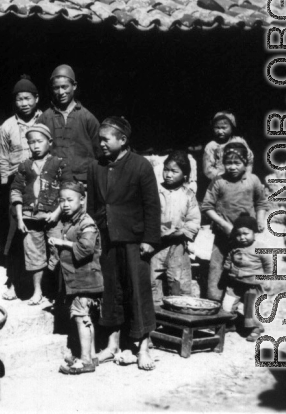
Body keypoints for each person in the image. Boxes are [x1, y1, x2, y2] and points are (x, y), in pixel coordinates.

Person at [87, 117, 161, 371]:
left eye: (106, 139)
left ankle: (143, 347)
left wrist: (150, 240)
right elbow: (93, 206)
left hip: (134, 239)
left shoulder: (141, 166)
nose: (102, 144)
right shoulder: (95, 167)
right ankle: (111, 345)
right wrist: (93, 235)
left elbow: (152, 206)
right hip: (107, 239)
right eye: (100, 139)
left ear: (122, 140)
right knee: (111, 291)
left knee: (138, 292)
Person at [10, 124, 72, 305]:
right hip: (30, 219)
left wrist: (57, 212)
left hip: (53, 218)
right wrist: (20, 218)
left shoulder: (59, 163)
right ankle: (37, 291)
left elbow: (67, 189)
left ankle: (59, 291)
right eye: (31, 143)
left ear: (49, 142)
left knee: (58, 251)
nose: (35, 146)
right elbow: (16, 192)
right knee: (34, 255)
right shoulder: (24, 166)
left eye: (40, 141)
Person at [201, 143, 267, 301]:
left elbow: (261, 202)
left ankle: (246, 306)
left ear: (245, 163)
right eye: (228, 163)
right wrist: (224, 224)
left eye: (237, 163)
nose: (232, 167)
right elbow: (206, 206)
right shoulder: (219, 181)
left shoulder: (253, 180)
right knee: (217, 268)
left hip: (246, 238)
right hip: (223, 235)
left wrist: (260, 219)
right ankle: (215, 305)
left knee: (245, 268)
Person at [49, 182, 103, 375]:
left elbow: (87, 248)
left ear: (82, 200)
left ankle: (86, 360)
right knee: (84, 318)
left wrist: (62, 242)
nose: (65, 204)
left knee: (81, 318)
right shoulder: (70, 220)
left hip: (86, 279)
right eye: (61, 200)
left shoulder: (86, 222)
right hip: (77, 279)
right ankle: (91, 355)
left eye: (70, 200)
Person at [0, 75, 43, 274]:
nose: (24, 104)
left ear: (36, 98)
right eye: (19, 99)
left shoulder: (46, 120)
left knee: (41, 224)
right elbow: (4, 157)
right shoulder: (7, 126)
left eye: (27, 98)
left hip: (42, 180)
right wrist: (5, 183)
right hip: (17, 183)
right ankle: (14, 274)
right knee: (16, 227)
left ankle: (42, 274)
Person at [150, 151, 200, 304]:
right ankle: (155, 318)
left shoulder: (188, 195)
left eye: (174, 171)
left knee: (178, 282)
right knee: (153, 281)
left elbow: (193, 221)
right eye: (166, 170)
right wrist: (162, 230)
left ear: (184, 174)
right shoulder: (155, 192)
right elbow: (149, 215)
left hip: (178, 245)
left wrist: (180, 231)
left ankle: (177, 322)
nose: (169, 175)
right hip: (156, 246)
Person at [38, 64, 101, 184]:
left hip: (81, 182)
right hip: (52, 181)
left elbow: (100, 151)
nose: (61, 92)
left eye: (64, 87)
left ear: (74, 86)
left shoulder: (87, 117)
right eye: (56, 88)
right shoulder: (45, 118)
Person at [222, 213, 272, 342]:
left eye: (246, 233)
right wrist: (227, 269)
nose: (242, 237)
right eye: (238, 234)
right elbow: (229, 259)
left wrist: (268, 279)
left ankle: (255, 328)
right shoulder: (234, 246)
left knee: (250, 309)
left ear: (254, 232)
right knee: (227, 305)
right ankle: (231, 324)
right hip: (235, 283)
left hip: (252, 284)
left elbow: (268, 265)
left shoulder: (260, 247)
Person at [203, 111, 254, 180]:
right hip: (221, 181)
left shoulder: (239, 141)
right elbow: (208, 169)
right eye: (217, 128)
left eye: (224, 128)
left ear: (232, 128)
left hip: (241, 180)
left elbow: (249, 159)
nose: (220, 131)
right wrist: (224, 178)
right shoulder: (211, 146)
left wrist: (247, 175)